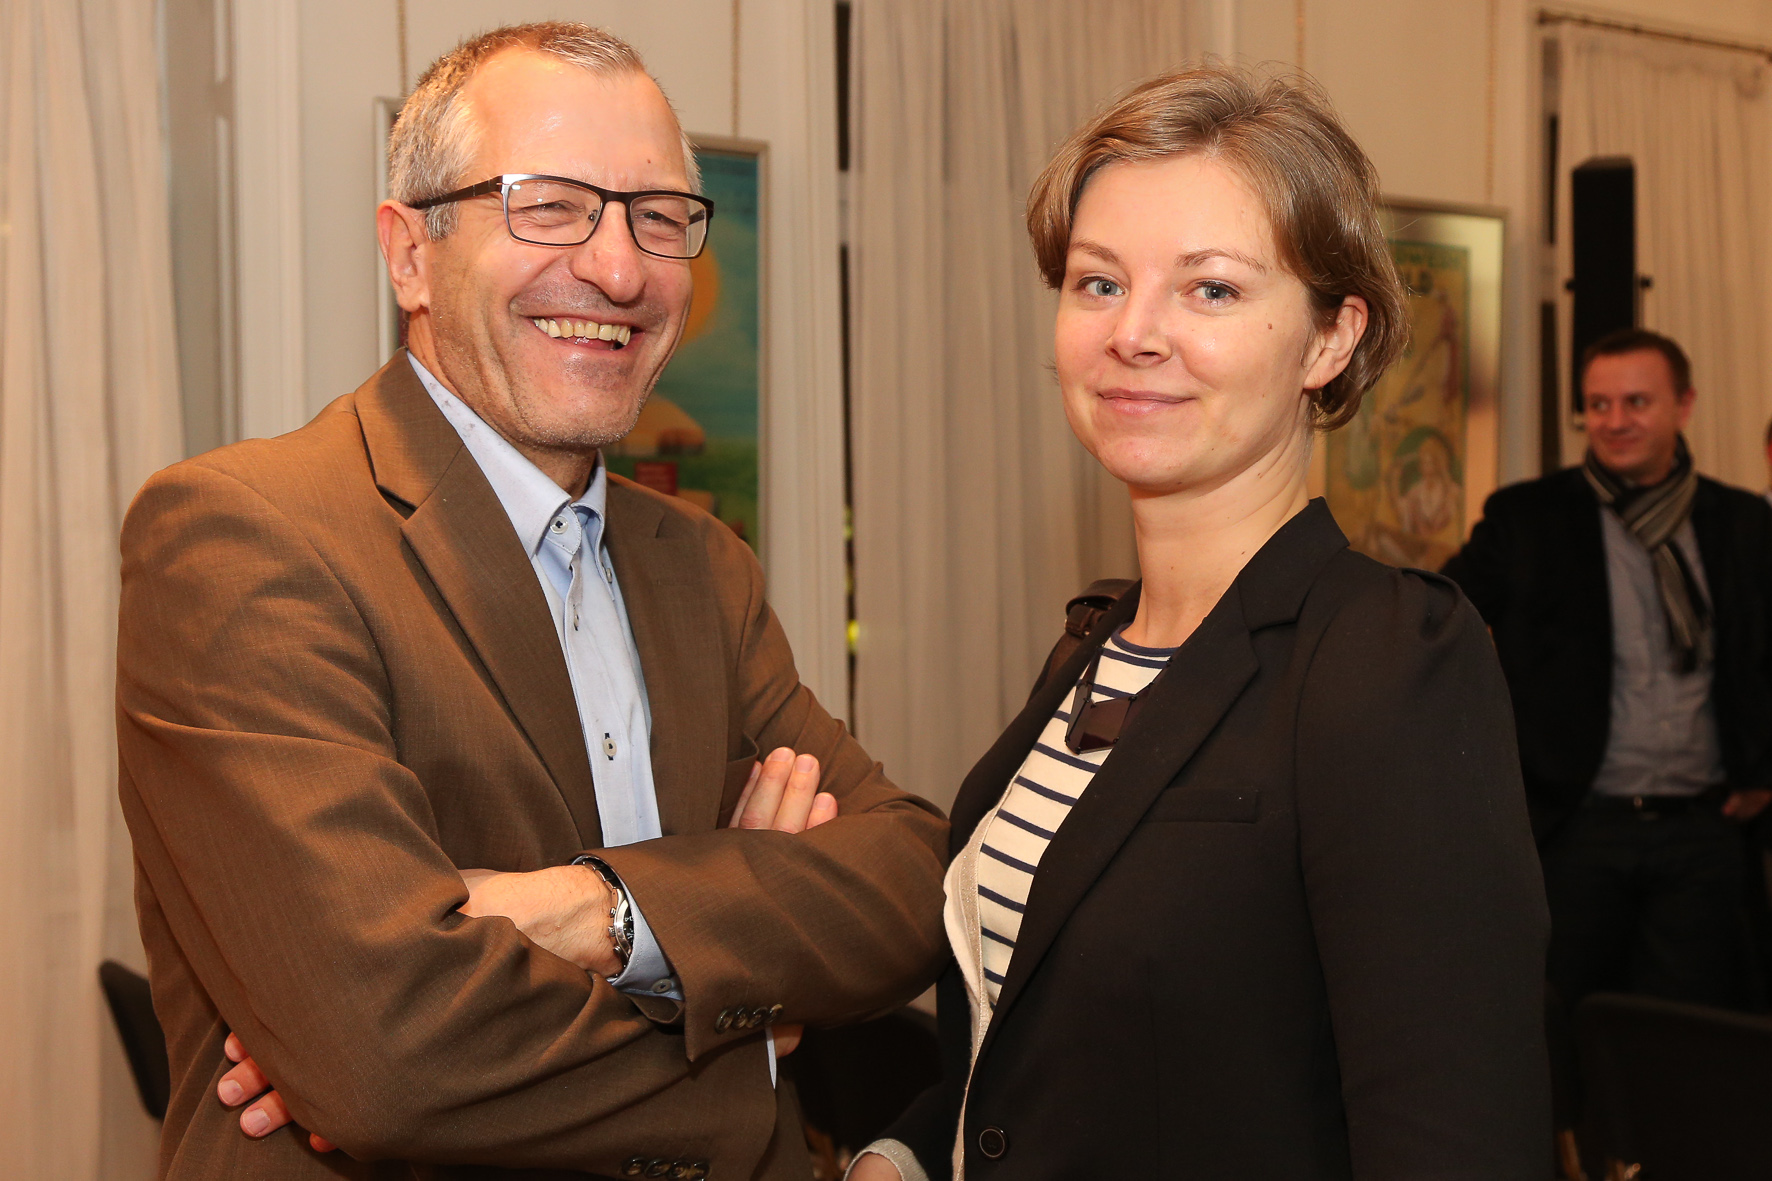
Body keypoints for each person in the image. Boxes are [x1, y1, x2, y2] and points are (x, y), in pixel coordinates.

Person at [115, 23, 947, 1180]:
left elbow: (915, 878)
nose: (619, 270)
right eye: (548, 206)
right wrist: (751, 1032)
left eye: (658, 216)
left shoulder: (701, 565)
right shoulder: (248, 535)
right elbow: (388, 1055)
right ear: (409, 254)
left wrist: (602, 911)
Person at [849, 66, 1549, 1181]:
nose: (1133, 333)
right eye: (1097, 282)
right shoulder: (1092, 649)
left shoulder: (1383, 659)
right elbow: (1052, 1045)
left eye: (1210, 289)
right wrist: (903, 1152)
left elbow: (1453, 1136)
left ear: (1329, 339)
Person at [1443, 328, 1772, 1016]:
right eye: (1598, 404)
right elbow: (1436, 625)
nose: (1615, 421)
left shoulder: (1743, 522)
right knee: (1561, 1031)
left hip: (1705, 833)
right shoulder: (1529, 518)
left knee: (1690, 1043)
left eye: (1636, 402)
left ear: (1684, 405)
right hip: (1573, 829)